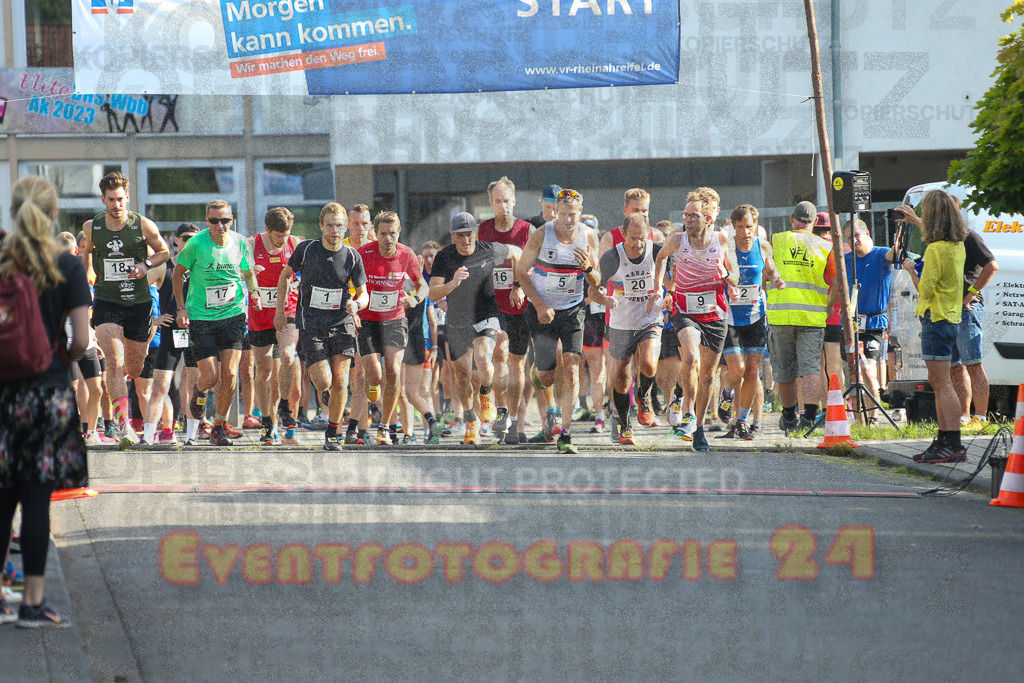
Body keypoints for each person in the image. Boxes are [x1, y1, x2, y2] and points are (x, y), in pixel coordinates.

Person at [0, 176, 90, 627]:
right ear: (54, 214)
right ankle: (32, 605)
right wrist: (59, 362)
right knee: (36, 501)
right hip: (48, 393)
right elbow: (83, 340)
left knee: (2, 500)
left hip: (3, 393)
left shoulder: (2, 260)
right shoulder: (67, 265)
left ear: (14, 212)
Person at [81, 171, 170, 447]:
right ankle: (124, 426)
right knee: (114, 361)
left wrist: (146, 265)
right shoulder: (92, 227)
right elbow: (88, 254)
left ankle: (124, 415)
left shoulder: (143, 225)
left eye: (120, 199)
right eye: (111, 200)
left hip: (138, 305)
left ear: (127, 198)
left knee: (133, 366)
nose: (116, 204)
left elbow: (164, 252)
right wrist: (86, 279)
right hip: (107, 302)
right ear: (103, 200)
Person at [276, 203, 368, 451]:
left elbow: (364, 294)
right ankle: (325, 395)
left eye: (339, 226)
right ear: (321, 226)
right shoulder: (307, 250)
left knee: (341, 381)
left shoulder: (352, 256)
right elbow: (285, 276)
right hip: (312, 323)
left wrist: (357, 304)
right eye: (329, 226)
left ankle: (333, 433)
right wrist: (280, 310)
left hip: (341, 322)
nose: (334, 231)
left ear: (345, 227)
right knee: (323, 381)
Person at [516, 189, 601, 455]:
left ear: (580, 211)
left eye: (572, 214)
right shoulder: (542, 234)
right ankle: (538, 372)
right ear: (556, 212)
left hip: (573, 309)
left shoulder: (588, 236)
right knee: (547, 376)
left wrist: (588, 268)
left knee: (572, 365)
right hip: (543, 309)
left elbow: (597, 281)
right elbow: (520, 271)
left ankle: (565, 433)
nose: (567, 220)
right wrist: (540, 305)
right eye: (563, 214)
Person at [653, 191, 738, 452]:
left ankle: (699, 427)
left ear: (709, 218)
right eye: (686, 215)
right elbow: (661, 257)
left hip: (714, 313)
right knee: (690, 358)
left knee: (708, 375)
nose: (688, 219)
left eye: (694, 215)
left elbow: (735, 277)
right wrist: (660, 288)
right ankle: (688, 414)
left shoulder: (721, 240)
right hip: (684, 309)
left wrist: (726, 274)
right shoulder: (677, 239)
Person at [173, 199, 260, 447]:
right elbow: (177, 274)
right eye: (214, 221)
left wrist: (254, 292)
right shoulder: (196, 244)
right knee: (210, 377)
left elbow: (248, 272)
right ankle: (200, 390)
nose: (220, 226)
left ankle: (219, 426)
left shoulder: (240, 243)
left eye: (225, 220)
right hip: (202, 316)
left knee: (231, 374)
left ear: (232, 220)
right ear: (207, 220)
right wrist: (181, 308)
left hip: (233, 314)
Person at [430, 213, 522, 445]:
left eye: (469, 234)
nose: (465, 240)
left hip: (486, 316)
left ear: (476, 233)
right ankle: (471, 422)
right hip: (458, 320)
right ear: (452, 236)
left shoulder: (489, 250)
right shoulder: (444, 257)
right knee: (461, 377)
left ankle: (486, 393)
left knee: (483, 359)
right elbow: (432, 293)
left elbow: (517, 253)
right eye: (460, 235)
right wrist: (452, 283)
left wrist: (517, 286)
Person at [898, 191, 968, 463]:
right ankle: (945, 440)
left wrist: (910, 269)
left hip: (935, 318)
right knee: (941, 383)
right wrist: (916, 222)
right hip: (949, 317)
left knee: (941, 384)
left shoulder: (935, 250)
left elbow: (924, 290)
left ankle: (952, 442)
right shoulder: (956, 245)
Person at [357, 211, 429, 446]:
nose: (388, 239)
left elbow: (423, 285)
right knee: (375, 376)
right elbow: (350, 284)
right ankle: (371, 383)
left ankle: (385, 426)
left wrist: (415, 298)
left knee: (394, 372)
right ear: (376, 234)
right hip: (368, 320)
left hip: (395, 319)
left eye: (393, 233)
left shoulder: (407, 254)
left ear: (399, 232)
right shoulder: (364, 254)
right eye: (383, 234)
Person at [765, 201, 837, 434]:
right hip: (812, 318)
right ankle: (809, 419)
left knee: (784, 370)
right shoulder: (825, 246)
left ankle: (788, 417)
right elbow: (837, 284)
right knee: (810, 369)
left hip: (781, 315)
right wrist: (826, 307)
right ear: (814, 223)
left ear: (791, 218)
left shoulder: (776, 241)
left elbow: (764, 275)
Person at [591, 214, 663, 445]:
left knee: (649, 364)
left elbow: (673, 278)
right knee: (621, 379)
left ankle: (644, 396)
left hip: (649, 318)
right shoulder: (612, 257)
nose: (638, 244)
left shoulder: (656, 252)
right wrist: (604, 299)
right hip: (621, 322)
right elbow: (593, 290)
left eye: (642, 238)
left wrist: (669, 294)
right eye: (632, 238)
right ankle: (625, 425)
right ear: (623, 235)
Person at [720, 204, 784, 440]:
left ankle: (742, 421)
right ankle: (727, 392)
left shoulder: (763, 245)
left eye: (749, 227)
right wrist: (728, 283)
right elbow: (720, 273)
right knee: (736, 370)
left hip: (755, 316)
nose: (745, 232)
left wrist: (777, 281)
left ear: (755, 225)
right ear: (734, 227)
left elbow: (771, 270)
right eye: (740, 227)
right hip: (730, 318)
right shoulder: (726, 247)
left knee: (751, 372)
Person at [477, 176, 533, 444]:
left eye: (507, 201)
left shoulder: (527, 230)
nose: (503, 206)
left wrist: (519, 284)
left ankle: (515, 421)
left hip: (520, 304)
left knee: (518, 365)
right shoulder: (483, 230)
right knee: (499, 350)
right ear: (491, 203)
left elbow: (533, 263)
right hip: (493, 303)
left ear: (514, 201)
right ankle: (501, 411)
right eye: (497, 202)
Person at [248, 207, 302, 446]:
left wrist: (299, 283)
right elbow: (237, 270)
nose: (282, 240)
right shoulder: (252, 243)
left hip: (287, 309)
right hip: (260, 312)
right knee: (264, 371)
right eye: (278, 236)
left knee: (288, 357)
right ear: (267, 230)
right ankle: (267, 423)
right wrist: (248, 274)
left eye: (286, 235)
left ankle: (285, 408)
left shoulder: (296, 244)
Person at [843, 218, 901, 425]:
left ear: (867, 233)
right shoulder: (846, 260)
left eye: (856, 235)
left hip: (875, 322)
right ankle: (859, 420)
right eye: (849, 238)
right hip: (851, 323)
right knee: (853, 372)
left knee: (868, 369)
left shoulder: (880, 254)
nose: (854, 241)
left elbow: (896, 254)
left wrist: (901, 232)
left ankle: (873, 418)